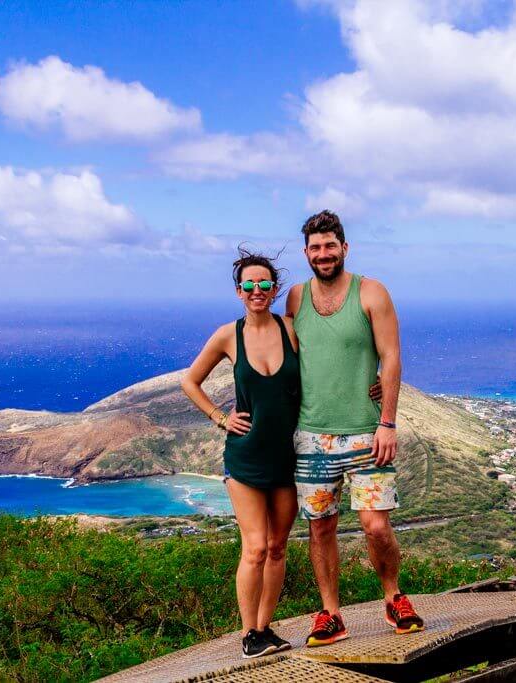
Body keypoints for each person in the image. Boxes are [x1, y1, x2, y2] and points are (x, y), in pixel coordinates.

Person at [285, 210, 425, 647]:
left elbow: (392, 358)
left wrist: (387, 422)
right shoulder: (295, 298)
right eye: (315, 247)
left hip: (367, 431)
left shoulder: (371, 292)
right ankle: (330, 614)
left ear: (345, 248)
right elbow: (285, 359)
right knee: (320, 526)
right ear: (306, 252)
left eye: (330, 246)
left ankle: (394, 596)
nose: (323, 254)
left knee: (376, 526)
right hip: (311, 434)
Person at [181, 249, 300, 659]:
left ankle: (266, 628)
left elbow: (327, 367)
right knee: (255, 547)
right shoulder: (227, 335)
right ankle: (249, 634)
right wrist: (219, 417)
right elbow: (190, 381)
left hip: (284, 457)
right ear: (238, 291)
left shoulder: (291, 329)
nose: (257, 290)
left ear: (275, 288)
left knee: (279, 545)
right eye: (249, 285)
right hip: (245, 457)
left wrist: (371, 385)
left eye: (264, 284)